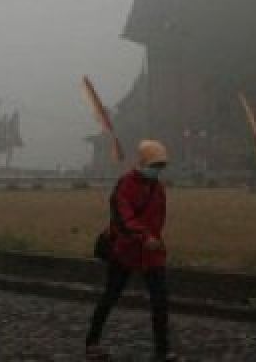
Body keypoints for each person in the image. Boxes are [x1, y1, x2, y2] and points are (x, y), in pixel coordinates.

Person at [85, 140, 176, 361]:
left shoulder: (158, 188)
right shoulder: (125, 184)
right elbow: (123, 218)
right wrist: (144, 236)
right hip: (124, 249)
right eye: (155, 164)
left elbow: (159, 218)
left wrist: (152, 240)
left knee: (160, 301)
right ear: (143, 161)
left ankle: (162, 351)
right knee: (111, 295)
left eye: (161, 165)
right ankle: (92, 343)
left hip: (151, 251)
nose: (158, 169)